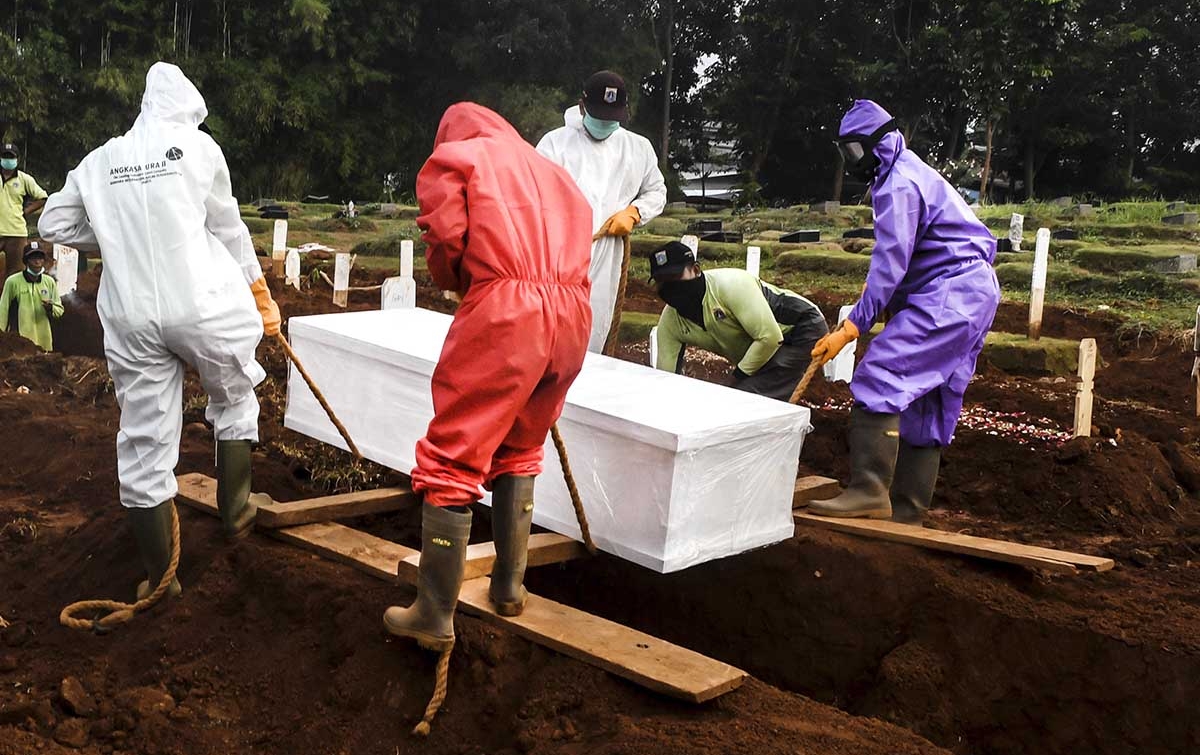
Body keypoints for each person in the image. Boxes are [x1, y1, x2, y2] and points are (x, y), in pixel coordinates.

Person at [38, 62, 281, 597]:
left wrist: (111, 229)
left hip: (130, 314)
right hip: (202, 305)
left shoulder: (101, 159)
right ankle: (237, 509)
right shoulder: (199, 149)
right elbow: (229, 229)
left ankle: (158, 579)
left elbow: (51, 224)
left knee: (145, 437)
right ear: (189, 110)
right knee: (235, 394)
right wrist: (260, 296)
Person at [383, 103, 592, 651]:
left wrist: (458, 280)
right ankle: (508, 587)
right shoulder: (555, 172)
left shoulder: (457, 158)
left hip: (506, 312)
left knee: (454, 454)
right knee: (521, 446)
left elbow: (447, 238)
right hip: (571, 315)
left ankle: (433, 615)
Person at [807, 99, 1000, 525]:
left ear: (877, 143)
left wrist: (855, 323)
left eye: (855, 152)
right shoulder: (911, 172)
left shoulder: (897, 182)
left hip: (950, 290)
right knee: (930, 397)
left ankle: (869, 490)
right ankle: (909, 507)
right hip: (972, 291)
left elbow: (890, 261)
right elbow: (910, 260)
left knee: (882, 373)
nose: (852, 163)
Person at [537, 70, 666, 353]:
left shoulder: (638, 148)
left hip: (607, 249)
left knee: (594, 328)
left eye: (613, 118)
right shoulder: (555, 144)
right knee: (551, 329)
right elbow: (533, 193)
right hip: (560, 250)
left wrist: (634, 212)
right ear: (582, 106)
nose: (606, 123)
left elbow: (657, 191)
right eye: (600, 115)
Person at [650, 241, 828, 401]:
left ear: (696, 270)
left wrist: (734, 378)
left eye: (674, 277)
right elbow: (666, 377)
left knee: (744, 398)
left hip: (800, 329)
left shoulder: (730, 286)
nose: (669, 287)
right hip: (762, 346)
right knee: (742, 389)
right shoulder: (671, 321)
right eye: (661, 281)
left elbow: (770, 338)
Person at [0, 241, 63, 351]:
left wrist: (50, 308)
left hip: (44, 342)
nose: (37, 261)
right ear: (26, 261)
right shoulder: (12, 282)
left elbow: (59, 309)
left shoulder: (49, 282)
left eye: (40, 257)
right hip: (21, 342)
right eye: (33, 257)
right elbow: (3, 310)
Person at [0, 144, 48, 277]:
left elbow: (42, 197)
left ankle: (15, 298)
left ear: (17, 159)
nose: (8, 160)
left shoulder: (24, 179)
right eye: (5, 156)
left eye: (11, 157)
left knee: (16, 274)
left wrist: (25, 211)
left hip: (16, 233)